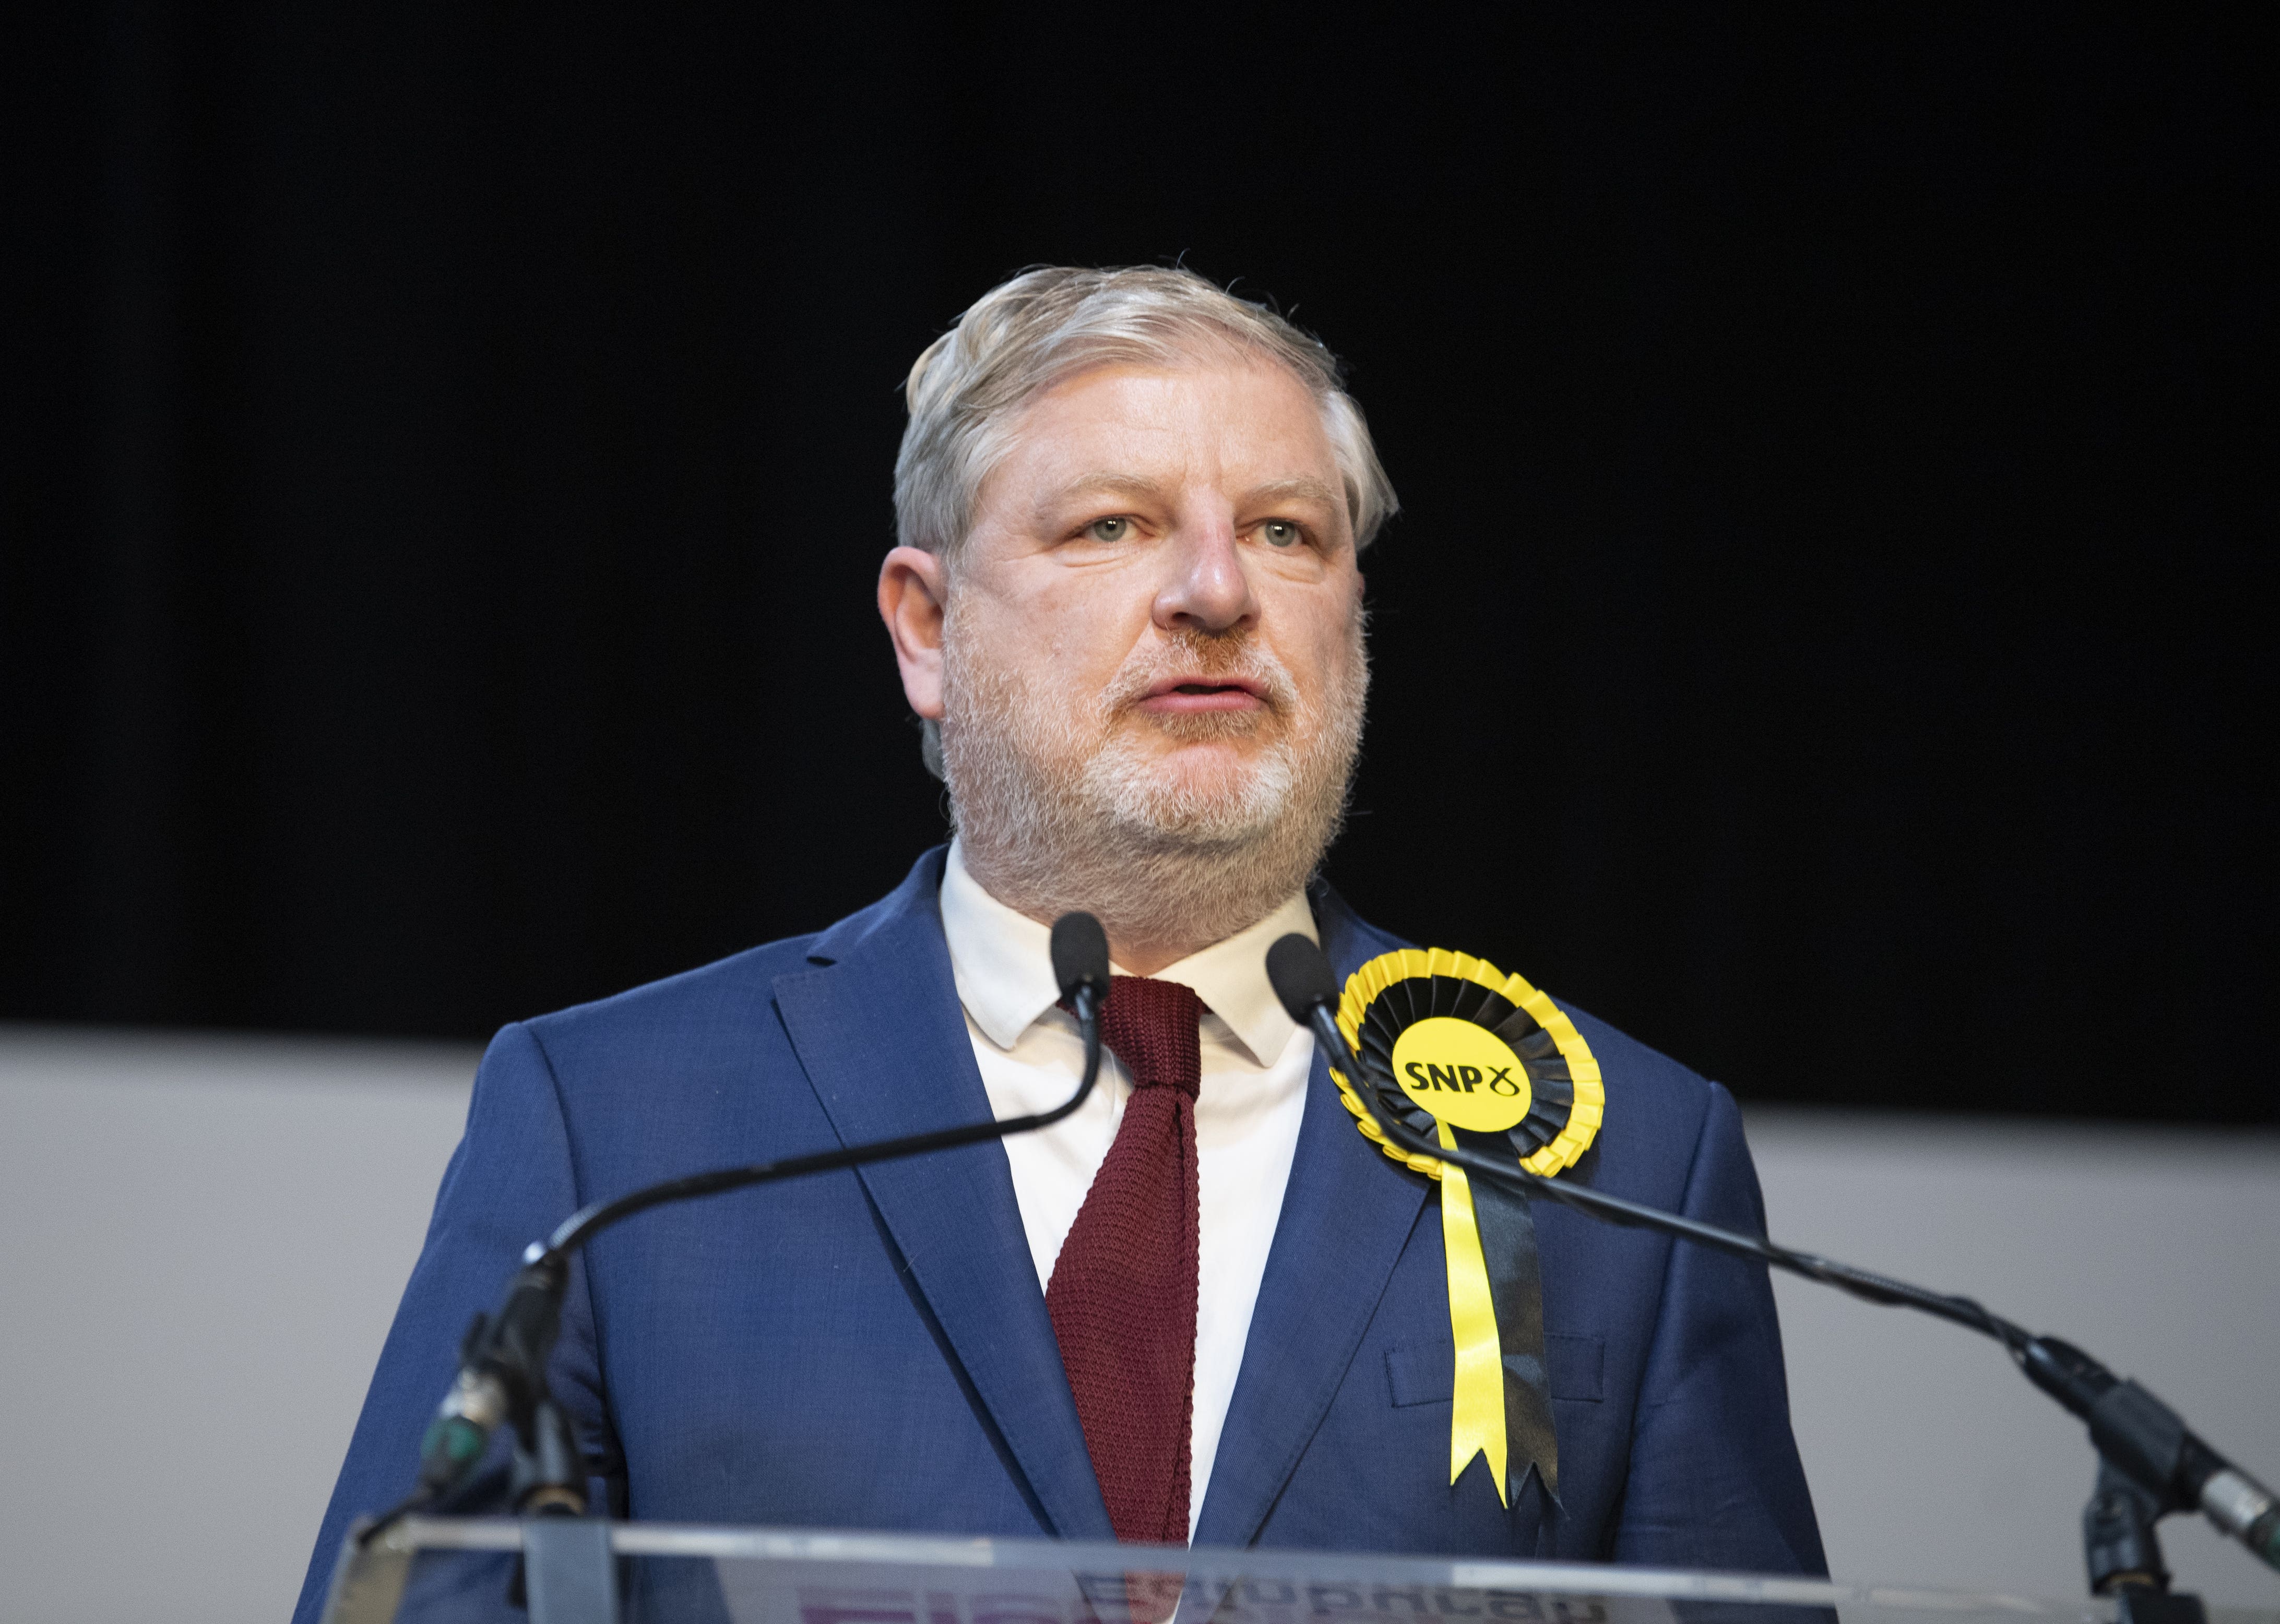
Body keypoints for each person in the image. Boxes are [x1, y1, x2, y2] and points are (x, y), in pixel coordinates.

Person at [294, 266, 1826, 1621]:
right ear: (923, 627)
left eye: (1285, 533)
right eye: (1114, 525)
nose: (1217, 591)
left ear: (1350, 620)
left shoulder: (1626, 1156)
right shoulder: (615, 1121)